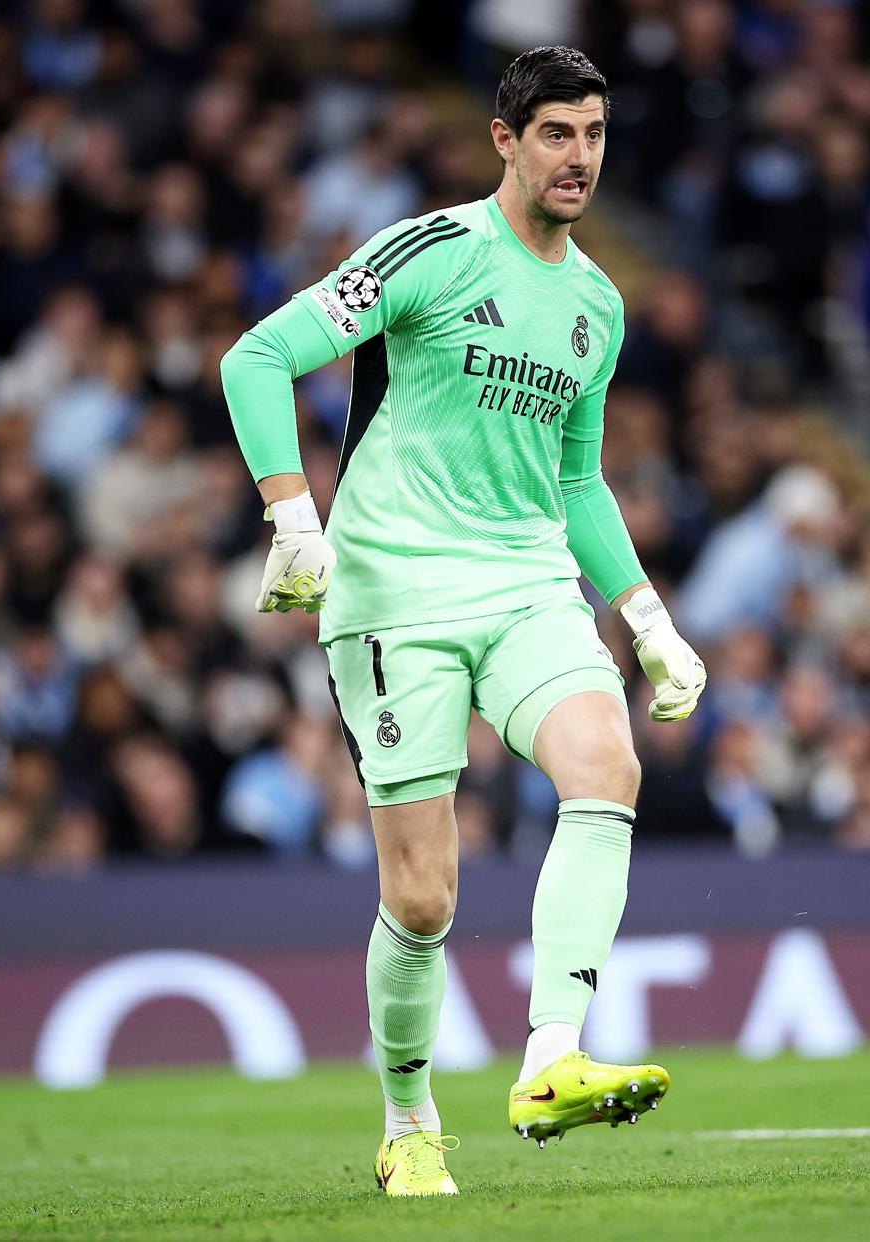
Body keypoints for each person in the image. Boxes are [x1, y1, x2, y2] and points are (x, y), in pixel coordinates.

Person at [218, 47, 706, 1197]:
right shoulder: (430, 252)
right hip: (395, 595)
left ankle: (552, 1059)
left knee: (607, 765)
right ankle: (408, 1117)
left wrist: (646, 618)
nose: (578, 156)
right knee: (424, 896)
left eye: (593, 134)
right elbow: (259, 358)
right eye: (556, 134)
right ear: (504, 138)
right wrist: (292, 516)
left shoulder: (598, 304)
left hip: (529, 583)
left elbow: (577, 485)